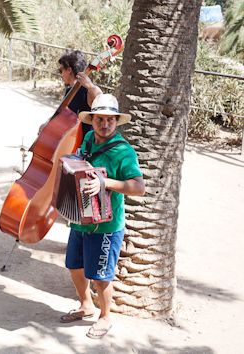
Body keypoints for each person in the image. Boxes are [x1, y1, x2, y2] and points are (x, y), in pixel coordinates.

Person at [59, 94, 145, 339]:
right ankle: (86, 305)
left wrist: (105, 183)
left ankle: (105, 316)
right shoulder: (87, 139)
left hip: (107, 225)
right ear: (92, 120)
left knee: (101, 274)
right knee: (74, 266)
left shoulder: (124, 152)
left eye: (110, 120)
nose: (104, 124)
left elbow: (139, 187)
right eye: (100, 119)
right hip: (81, 220)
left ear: (116, 121)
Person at [40, 49, 102, 137]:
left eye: (61, 70)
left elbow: (102, 101)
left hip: (85, 146)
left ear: (69, 70)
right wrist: (47, 124)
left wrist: (90, 86)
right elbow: (61, 114)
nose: (60, 74)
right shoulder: (69, 92)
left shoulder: (89, 91)